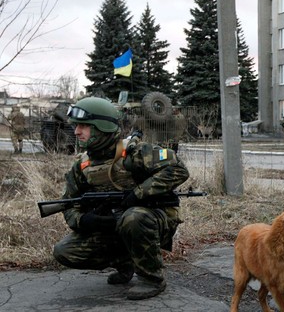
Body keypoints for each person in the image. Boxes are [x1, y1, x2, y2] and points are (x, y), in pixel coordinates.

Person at [52, 97, 190, 300]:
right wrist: (85, 220)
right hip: (115, 224)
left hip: (152, 221)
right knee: (64, 251)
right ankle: (126, 261)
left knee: (134, 217)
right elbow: (69, 204)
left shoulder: (135, 152)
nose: (76, 132)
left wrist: (138, 193)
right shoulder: (82, 166)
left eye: (83, 126)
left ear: (101, 127)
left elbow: (178, 170)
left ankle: (152, 278)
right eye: (76, 126)